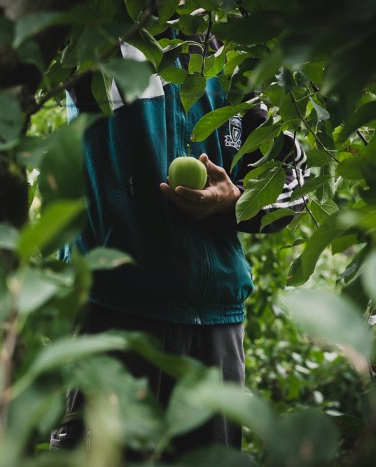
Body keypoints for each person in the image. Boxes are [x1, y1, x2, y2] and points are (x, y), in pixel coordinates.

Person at [50, 24, 309, 459]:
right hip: (114, 311)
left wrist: (235, 201)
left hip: (215, 323)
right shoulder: (105, 40)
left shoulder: (235, 65)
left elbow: (295, 177)